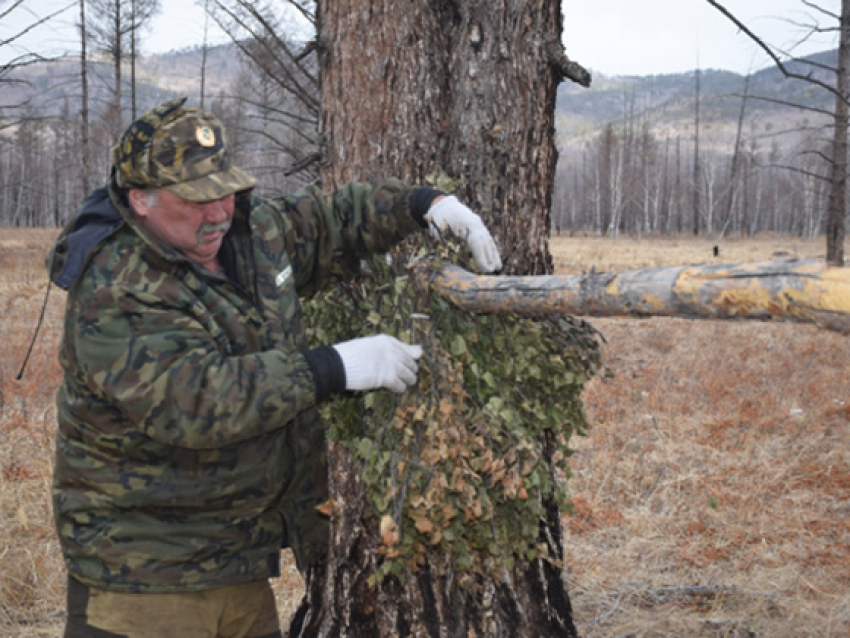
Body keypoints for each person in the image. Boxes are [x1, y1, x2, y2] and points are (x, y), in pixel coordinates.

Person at [48, 96, 502, 638]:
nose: (218, 212)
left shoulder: (249, 232)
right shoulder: (116, 283)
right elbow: (195, 401)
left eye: (224, 191)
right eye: (196, 200)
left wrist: (424, 204)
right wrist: (331, 368)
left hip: (237, 560)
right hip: (142, 575)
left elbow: (332, 221)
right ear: (140, 200)